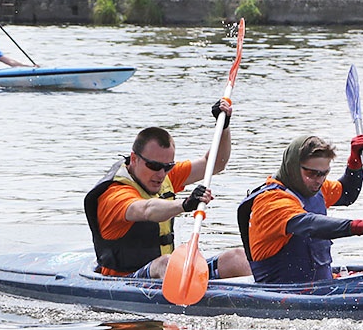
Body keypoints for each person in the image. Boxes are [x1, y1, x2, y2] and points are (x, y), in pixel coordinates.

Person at [84, 99, 252, 281]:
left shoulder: (165, 176)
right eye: (154, 166)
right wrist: (185, 205)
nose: (161, 174)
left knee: (238, 257)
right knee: (165, 263)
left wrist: (224, 126)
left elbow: (215, 164)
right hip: (126, 279)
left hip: (168, 274)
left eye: (168, 166)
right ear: (134, 159)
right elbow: (146, 209)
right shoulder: (114, 195)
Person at [237, 134, 363, 284]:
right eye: (312, 173)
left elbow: (346, 194)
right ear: (293, 167)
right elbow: (309, 224)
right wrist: (357, 226)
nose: (319, 180)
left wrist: (355, 164)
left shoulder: (315, 188)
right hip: (281, 292)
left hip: (318, 287)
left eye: (324, 173)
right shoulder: (270, 201)